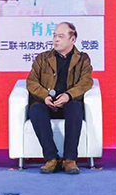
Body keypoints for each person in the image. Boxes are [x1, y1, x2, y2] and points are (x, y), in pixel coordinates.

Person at [26, 22, 93, 175]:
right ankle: (51, 159)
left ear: (72, 39)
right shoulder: (43, 58)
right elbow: (31, 82)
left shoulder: (83, 59)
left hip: (69, 103)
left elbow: (86, 82)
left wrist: (68, 95)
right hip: (47, 103)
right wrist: (45, 96)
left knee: (75, 107)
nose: (56, 39)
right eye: (55, 35)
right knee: (36, 109)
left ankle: (70, 160)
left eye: (61, 36)